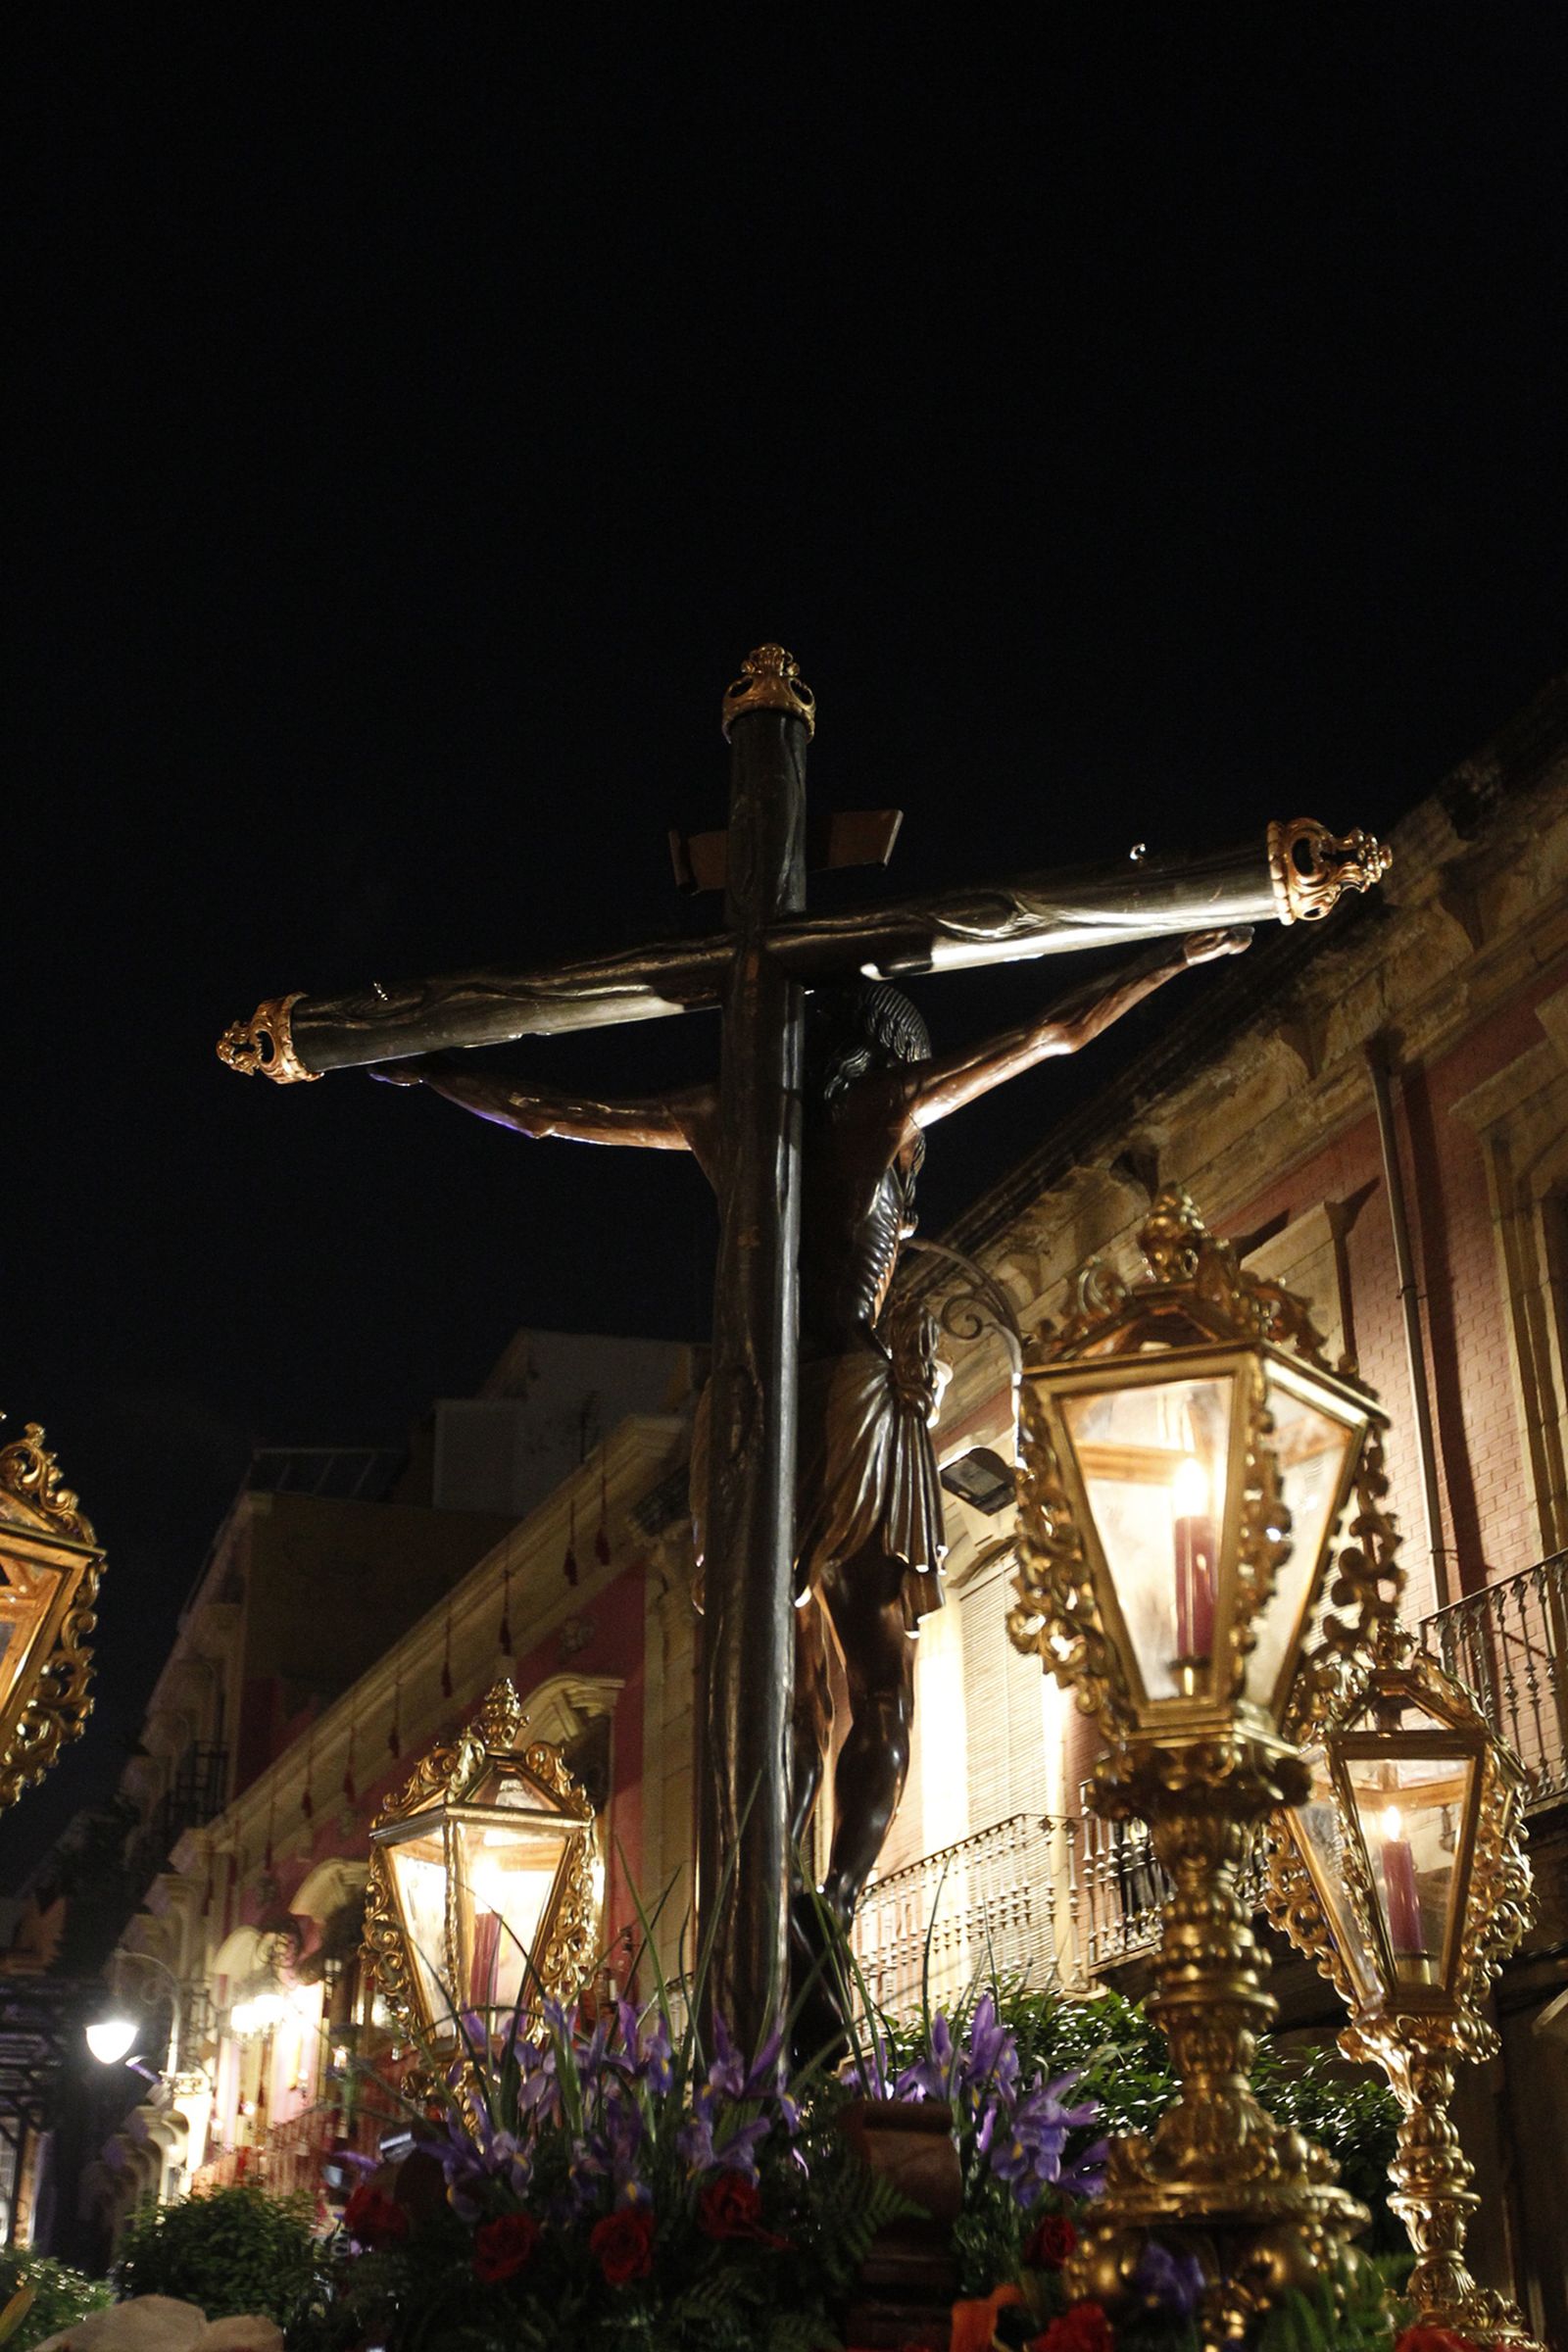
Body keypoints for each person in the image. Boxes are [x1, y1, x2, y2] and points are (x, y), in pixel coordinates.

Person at [370, 927, 1250, 1963]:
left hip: (742, 1416)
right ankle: (830, 1903)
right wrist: (1175, 953)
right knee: (879, 1684)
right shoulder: (881, 1112)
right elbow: (1049, 1032)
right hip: (851, 1400)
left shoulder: (718, 1119)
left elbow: (550, 1116)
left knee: (774, 1681)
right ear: (886, 1049)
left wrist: (429, 1064)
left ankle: (770, 1889)